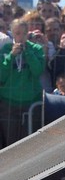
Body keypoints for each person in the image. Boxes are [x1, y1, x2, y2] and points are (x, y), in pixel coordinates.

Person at [0, 19, 45, 148]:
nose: (21, 37)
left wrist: (28, 53)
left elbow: (38, 71)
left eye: (24, 33)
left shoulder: (36, 49)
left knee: (29, 143)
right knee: (10, 142)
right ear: (13, 33)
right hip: (9, 103)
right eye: (18, 33)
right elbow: (1, 75)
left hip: (31, 103)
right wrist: (11, 56)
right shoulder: (5, 49)